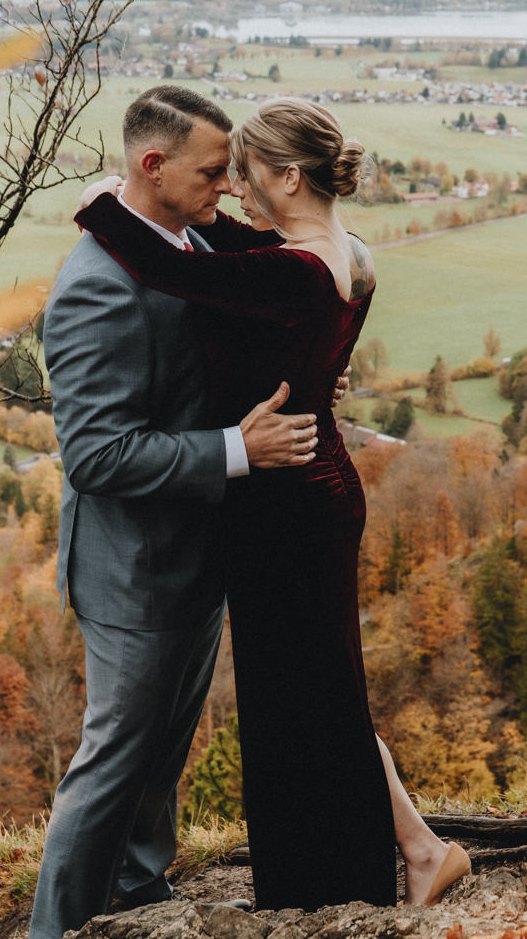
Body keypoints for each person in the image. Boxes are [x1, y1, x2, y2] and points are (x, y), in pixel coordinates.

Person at [74, 96, 470, 910]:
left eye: (244, 175)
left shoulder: (293, 270)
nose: (233, 192)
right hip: (309, 486)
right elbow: (229, 252)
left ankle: (327, 889)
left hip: (287, 499)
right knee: (321, 689)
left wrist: (101, 207)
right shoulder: (346, 252)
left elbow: (179, 268)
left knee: (300, 705)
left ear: (289, 176)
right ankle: (408, 852)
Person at [30, 86, 325, 939]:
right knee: (114, 761)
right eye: (210, 171)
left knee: (163, 749)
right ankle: (57, 927)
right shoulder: (95, 286)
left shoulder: (185, 240)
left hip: (197, 552)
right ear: (151, 166)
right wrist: (239, 450)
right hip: (132, 569)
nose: (227, 187)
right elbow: (96, 455)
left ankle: (135, 887)